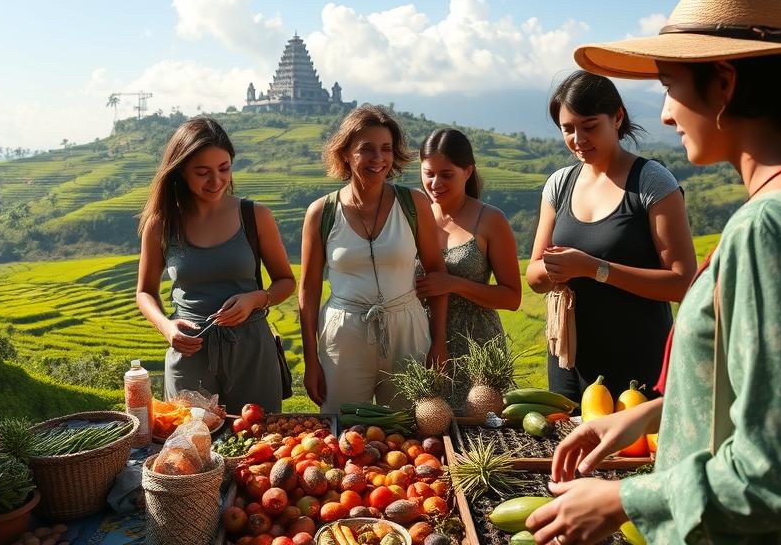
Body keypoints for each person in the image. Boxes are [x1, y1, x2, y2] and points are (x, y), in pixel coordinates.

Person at [527, 0, 781, 544]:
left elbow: (771, 470)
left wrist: (623, 498)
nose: (666, 115)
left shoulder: (765, 229)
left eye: (669, 88)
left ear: (723, 84)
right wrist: (648, 414)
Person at [525, 71, 696, 403]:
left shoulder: (651, 182)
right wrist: (556, 268)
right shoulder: (559, 185)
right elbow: (533, 276)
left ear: (617, 117)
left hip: (638, 360)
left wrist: (593, 268)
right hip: (568, 360)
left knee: (639, 453)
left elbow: (682, 282)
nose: (578, 139)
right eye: (568, 129)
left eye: (589, 126)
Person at [135, 117, 295, 415]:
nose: (216, 181)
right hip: (191, 350)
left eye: (224, 169)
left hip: (252, 350)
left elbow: (286, 281)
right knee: (191, 445)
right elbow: (144, 292)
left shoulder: (255, 216)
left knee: (258, 441)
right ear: (180, 170)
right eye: (202, 172)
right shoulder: (161, 224)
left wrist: (255, 299)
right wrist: (167, 328)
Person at [299, 105, 448, 412]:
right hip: (344, 334)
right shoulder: (321, 213)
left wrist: (439, 340)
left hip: (407, 329)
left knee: (410, 428)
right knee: (343, 431)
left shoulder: (413, 203)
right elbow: (309, 290)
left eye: (386, 149)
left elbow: (436, 273)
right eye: (366, 149)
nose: (378, 159)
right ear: (345, 154)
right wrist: (311, 360)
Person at [415, 128, 522, 411]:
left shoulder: (490, 220)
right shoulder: (415, 216)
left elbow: (512, 297)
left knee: (480, 431)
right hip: (420, 340)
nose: (435, 183)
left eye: (446, 175)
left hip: (477, 344)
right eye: (429, 173)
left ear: (468, 171)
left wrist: (454, 284)